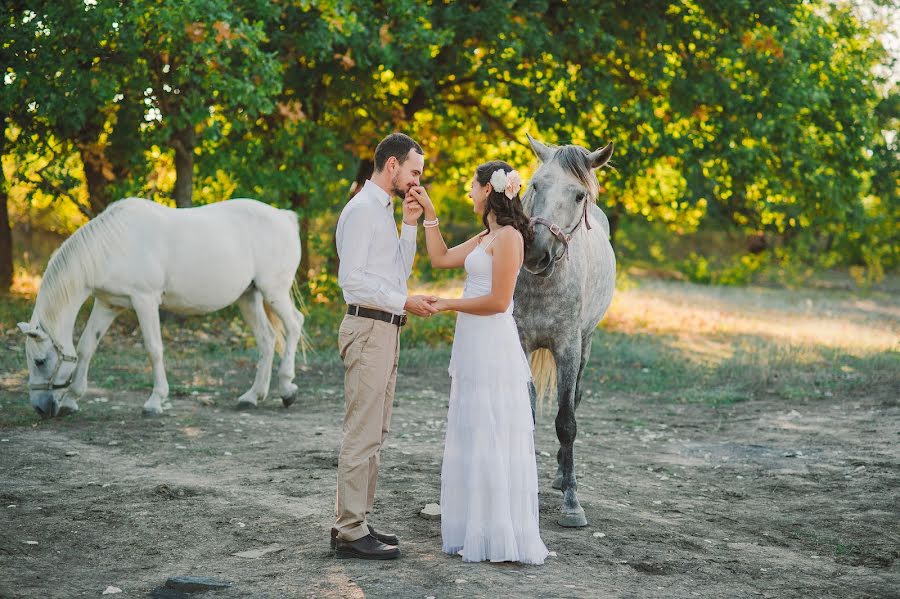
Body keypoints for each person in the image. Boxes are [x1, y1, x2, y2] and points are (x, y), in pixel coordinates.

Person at [408, 161, 550, 565]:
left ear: (488, 188)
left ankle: (499, 532)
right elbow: (439, 259)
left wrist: (449, 303)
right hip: (472, 343)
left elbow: (499, 301)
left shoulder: (508, 238)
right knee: (473, 429)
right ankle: (476, 526)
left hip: (492, 343)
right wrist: (429, 217)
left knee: (492, 431)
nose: (468, 192)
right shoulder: (486, 236)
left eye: (472, 186)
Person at [332, 132, 438, 560]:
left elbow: (396, 272)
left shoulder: (386, 210)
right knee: (361, 432)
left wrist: (410, 225)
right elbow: (352, 281)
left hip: (386, 328)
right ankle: (349, 530)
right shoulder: (361, 210)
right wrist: (403, 301)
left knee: (377, 430)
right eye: (414, 172)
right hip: (368, 329)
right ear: (391, 165)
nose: (417, 181)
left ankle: (357, 519)